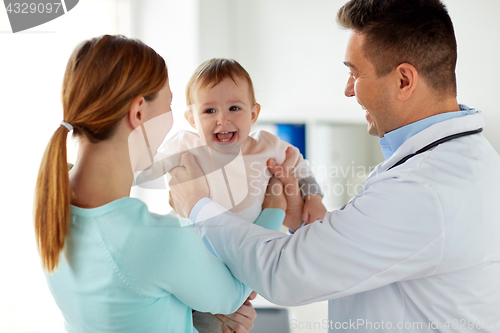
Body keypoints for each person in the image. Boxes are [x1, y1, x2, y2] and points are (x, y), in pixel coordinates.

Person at [168, 0, 500, 332]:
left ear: (403, 81)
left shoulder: (423, 188)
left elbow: (287, 273)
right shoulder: (461, 160)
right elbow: (371, 257)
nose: (347, 89)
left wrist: (199, 206)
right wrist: (303, 219)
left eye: (355, 73)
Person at [34, 34, 284, 333]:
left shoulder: (52, 203)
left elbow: (129, 308)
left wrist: (197, 323)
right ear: (139, 113)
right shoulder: (156, 237)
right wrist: (275, 208)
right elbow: (232, 296)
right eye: (169, 104)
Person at [137, 58, 327, 226]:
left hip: (253, 241)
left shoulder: (266, 145)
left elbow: (302, 169)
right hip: (196, 242)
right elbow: (144, 171)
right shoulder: (186, 145)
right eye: (210, 111)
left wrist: (314, 198)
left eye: (234, 108)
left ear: (253, 114)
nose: (223, 119)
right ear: (192, 120)